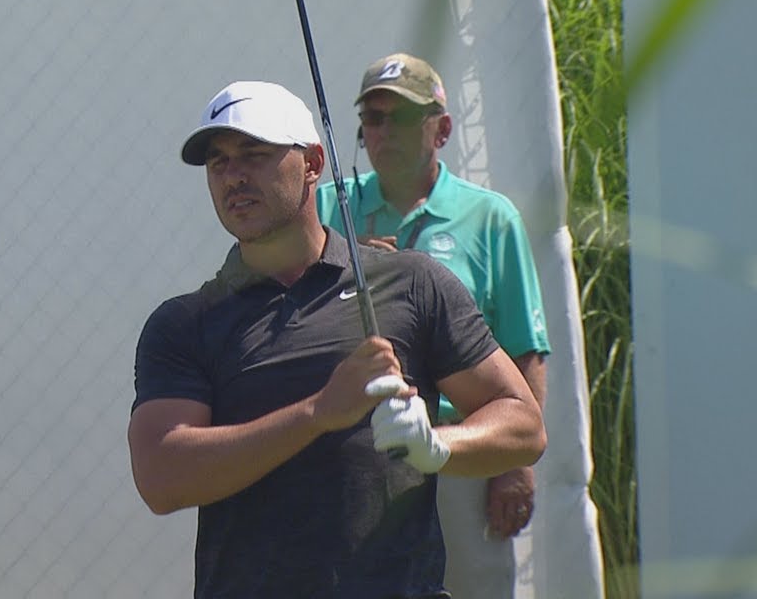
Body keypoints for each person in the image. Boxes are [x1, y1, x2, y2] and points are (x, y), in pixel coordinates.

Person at [127, 80, 546, 597]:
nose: (233, 175)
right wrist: (318, 413)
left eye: (254, 154)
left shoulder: (412, 282)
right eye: (218, 163)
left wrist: (436, 444)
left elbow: (524, 425)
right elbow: (162, 477)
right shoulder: (184, 323)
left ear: (313, 163)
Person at [316, 53, 551, 598]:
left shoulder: (491, 217)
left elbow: (525, 350)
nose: (382, 131)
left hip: (459, 452)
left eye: (400, 117)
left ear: (442, 128)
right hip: (353, 454)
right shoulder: (328, 209)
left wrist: (514, 465)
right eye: (372, 118)